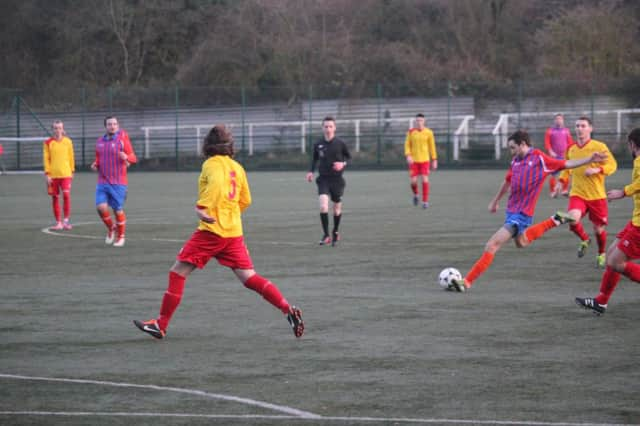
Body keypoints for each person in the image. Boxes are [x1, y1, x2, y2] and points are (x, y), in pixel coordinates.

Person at [134, 124, 304, 339]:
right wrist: (230, 214)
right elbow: (246, 200)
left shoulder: (211, 165)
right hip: (233, 233)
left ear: (208, 145)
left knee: (177, 273)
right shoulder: (237, 167)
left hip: (211, 231)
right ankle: (288, 309)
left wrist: (202, 208)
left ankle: (161, 324)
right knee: (249, 278)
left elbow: (216, 187)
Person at [449, 130, 608, 292]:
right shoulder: (515, 162)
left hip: (522, 214)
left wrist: (589, 159)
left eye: (513, 148)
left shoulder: (539, 158)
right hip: (511, 212)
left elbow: (566, 164)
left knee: (492, 245)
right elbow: (507, 182)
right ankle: (555, 220)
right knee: (521, 242)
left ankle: (466, 282)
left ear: (523, 144)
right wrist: (495, 201)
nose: (511, 152)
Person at [576, 128, 640, 315]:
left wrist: (623, 191)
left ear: (632, 144)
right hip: (635, 221)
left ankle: (602, 300)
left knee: (614, 262)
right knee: (612, 253)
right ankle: (601, 301)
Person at [563, 117, 617, 268]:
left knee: (598, 230)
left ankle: (601, 253)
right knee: (572, 219)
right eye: (577, 126)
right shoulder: (570, 148)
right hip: (577, 193)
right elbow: (566, 167)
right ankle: (585, 239)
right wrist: (561, 183)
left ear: (590, 129)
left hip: (597, 196)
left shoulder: (599, 146)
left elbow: (612, 165)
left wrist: (597, 169)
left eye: (583, 126)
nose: (579, 128)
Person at [91, 116, 137, 247]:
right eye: (110, 124)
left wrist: (127, 157)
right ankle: (111, 228)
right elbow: (99, 159)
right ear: (105, 126)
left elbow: (133, 157)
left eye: (115, 124)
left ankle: (121, 236)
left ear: (118, 125)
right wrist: (96, 164)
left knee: (118, 210)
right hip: (102, 180)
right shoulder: (99, 141)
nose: (112, 126)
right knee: (100, 207)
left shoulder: (122, 139)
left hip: (118, 182)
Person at [306, 116, 351, 246]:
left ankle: (335, 232)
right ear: (322, 128)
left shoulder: (340, 143)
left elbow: (349, 157)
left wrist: (343, 164)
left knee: (336, 209)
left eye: (330, 126)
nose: (328, 129)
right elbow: (314, 159)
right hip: (323, 179)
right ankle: (326, 235)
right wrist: (310, 171)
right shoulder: (318, 144)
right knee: (323, 206)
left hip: (337, 180)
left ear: (334, 128)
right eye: (326, 126)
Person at [43, 120, 75, 230]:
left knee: (66, 195)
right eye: (55, 128)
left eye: (59, 128)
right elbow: (46, 159)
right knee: (55, 198)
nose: (58, 130)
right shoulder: (48, 143)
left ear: (63, 129)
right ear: (53, 129)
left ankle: (66, 221)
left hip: (66, 174)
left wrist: (72, 171)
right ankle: (58, 222)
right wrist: (47, 174)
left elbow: (71, 157)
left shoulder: (68, 142)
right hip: (53, 176)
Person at [404, 113, 437, 209]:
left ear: (424, 121)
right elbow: (407, 145)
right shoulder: (411, 132)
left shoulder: (429, 132)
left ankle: (425, 201)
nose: (419, 122)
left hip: (425, 160)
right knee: (413, 182)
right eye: (417, 120)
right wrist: (408, 155)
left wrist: (434, 159)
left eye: (421, 120)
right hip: (414, 161)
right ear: (415, 121)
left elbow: (432, 147)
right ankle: (416, 195)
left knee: (425, 179)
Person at [544, 113, 574, 197]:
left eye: (560, 119)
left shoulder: (566, 130)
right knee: (553, 174)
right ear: (554, 120)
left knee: (566, 172)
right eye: (557, 119)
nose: (558, 120)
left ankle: (564, 190)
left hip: (564, 156)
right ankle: (553, 192)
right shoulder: (550, 131)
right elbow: (547, 142)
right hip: (554, 157)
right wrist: (550, 151)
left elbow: (570, 142)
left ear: (563, 120)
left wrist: (571, 151)